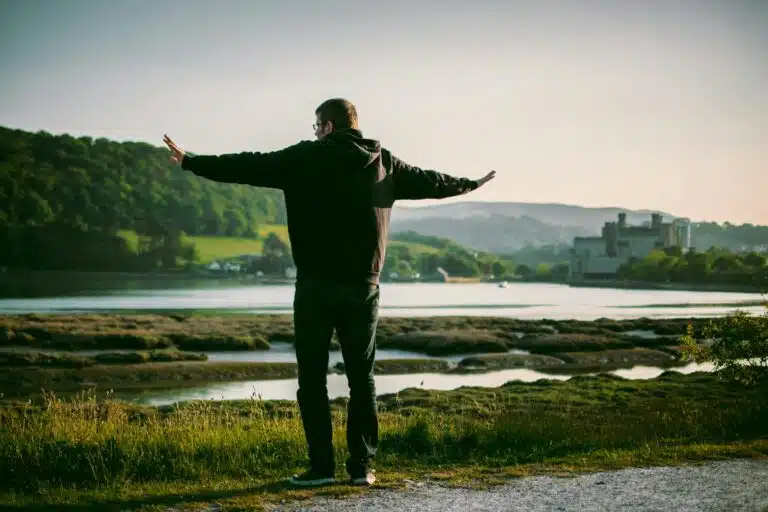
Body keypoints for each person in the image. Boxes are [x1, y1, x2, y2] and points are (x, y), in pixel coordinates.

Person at [163, 98, 495, 488]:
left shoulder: (305, 158)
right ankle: (362, 469)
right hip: (363, 289)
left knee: (312, 379)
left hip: (316, 288)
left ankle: (321, 468)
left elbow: (248, 165)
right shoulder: (384, 162)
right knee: (362, 380)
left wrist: (192, 161)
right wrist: (469, 184)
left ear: (329, 127)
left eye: (317, 126)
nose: (315, 132)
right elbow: (432, 181)